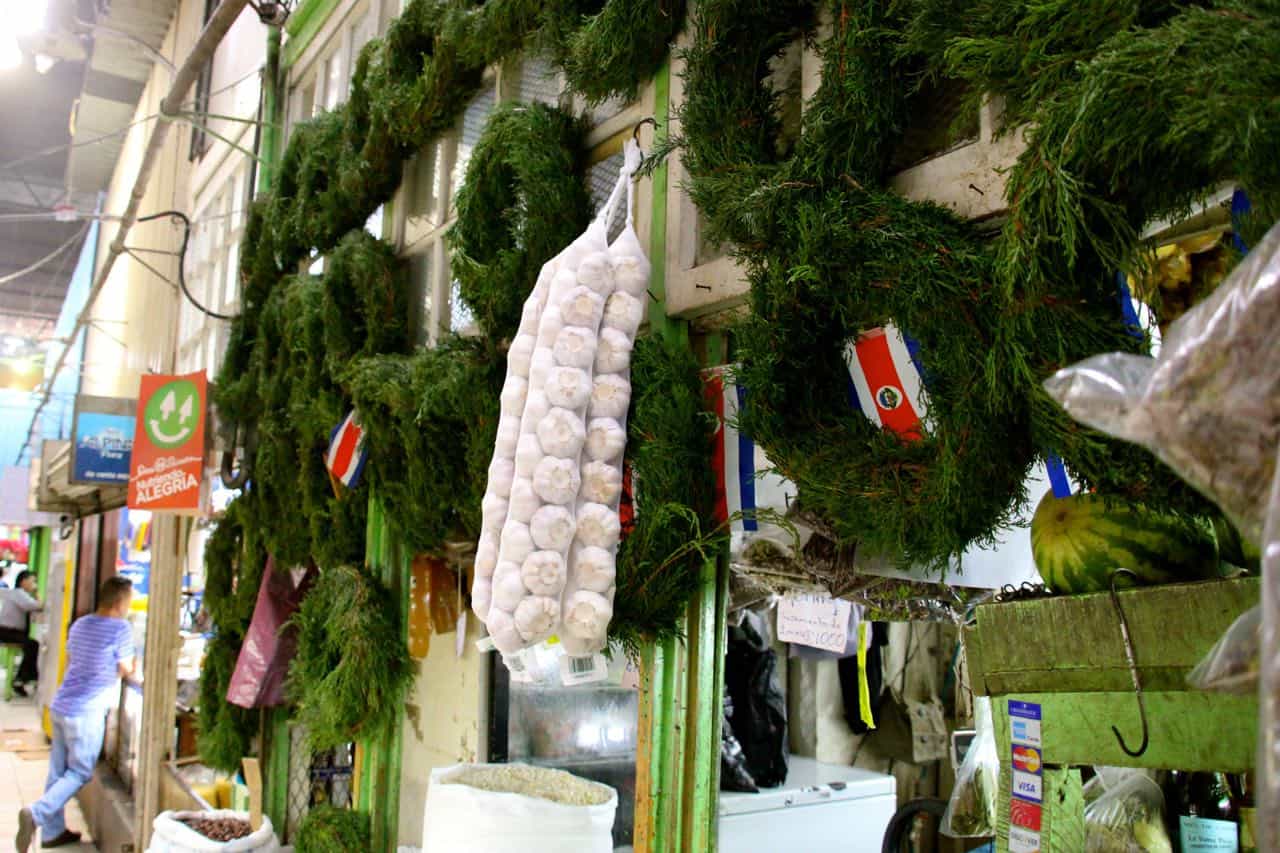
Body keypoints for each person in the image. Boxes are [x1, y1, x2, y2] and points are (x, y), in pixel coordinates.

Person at [17, 576, 137, 852]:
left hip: (61, 705)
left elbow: (73, 659)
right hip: (86, 711)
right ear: (120, 602)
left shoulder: (80, 624)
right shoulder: (120, 629)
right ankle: (36, 814)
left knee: (58, 772)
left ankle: (52, 833)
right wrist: (130, 665)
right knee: (81, 772)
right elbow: (126, 667)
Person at [0, 570, 43, 695]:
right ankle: (22, 678)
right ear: (23, 581)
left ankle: (24, 678)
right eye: (33, 581)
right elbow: (37, 606)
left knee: (31, 645)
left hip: (11, 632)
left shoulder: (18, 594)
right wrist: (37, 593)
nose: (34, 584)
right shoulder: (19, 593)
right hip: (7, 631)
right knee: (32, 645)